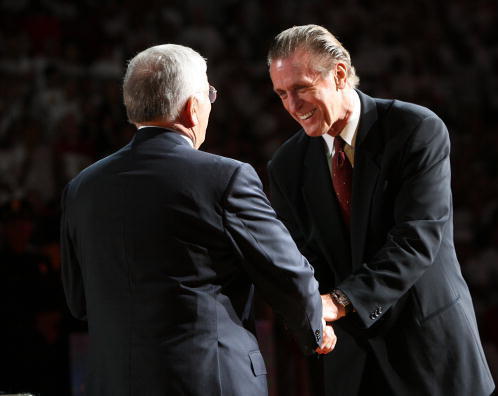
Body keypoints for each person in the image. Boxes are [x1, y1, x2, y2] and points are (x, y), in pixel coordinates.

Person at [60, 44, 336, 396]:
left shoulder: (81, 188)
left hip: (112, 382)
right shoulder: (225, 178)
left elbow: (78, 301)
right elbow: (287, 272)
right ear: (192, 108)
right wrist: (314, 326)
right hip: (209, 381)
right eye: (209, 94)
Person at [266, 25, 495, 396]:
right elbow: (302, 259)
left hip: (430, 354)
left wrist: (339, 302)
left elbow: (416, 239)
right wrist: (310, 313)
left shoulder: (415, 129)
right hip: (352, 366)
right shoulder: (286, 165)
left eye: (302, 89)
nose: (292, 106)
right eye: (282, 94)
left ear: (339, 74)